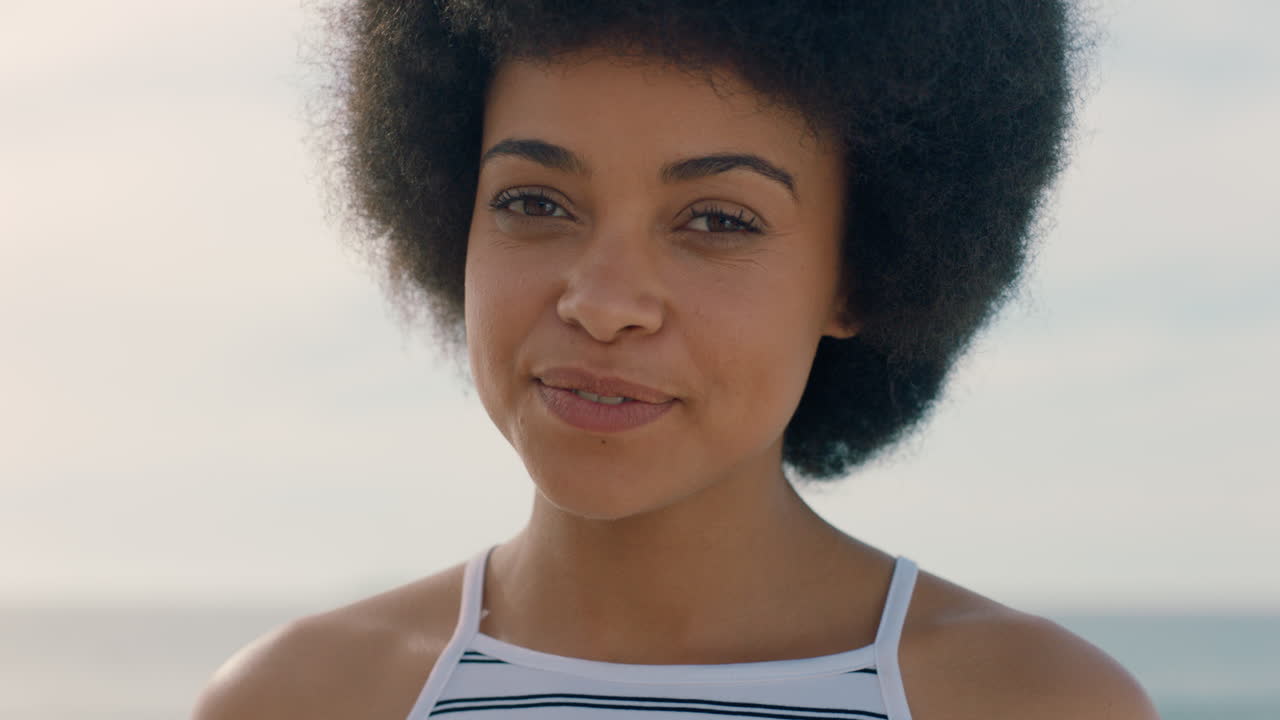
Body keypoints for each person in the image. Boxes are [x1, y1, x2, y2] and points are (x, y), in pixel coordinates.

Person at [195, 1, 1160, 718]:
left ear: (857, 276)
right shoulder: (300, 698)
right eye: (534, 202)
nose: (602, 302)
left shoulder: (1035, 704)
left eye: (716, 220)